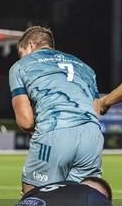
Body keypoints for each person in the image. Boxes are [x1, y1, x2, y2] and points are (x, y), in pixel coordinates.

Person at [9, 26, 103, 194]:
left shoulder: (21, 66)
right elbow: (96, 110)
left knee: (35, 201)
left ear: (30, 45)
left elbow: (26, 121)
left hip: (54, 132)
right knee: (81, 202)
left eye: (21, 52)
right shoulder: (84, 66)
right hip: (92, 136)